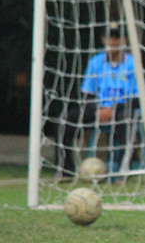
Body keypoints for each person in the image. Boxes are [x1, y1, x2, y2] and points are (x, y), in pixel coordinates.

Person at [54, 23, 138, 179]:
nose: (113, 42)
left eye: (117, 37)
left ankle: (121, 173)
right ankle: (66, 171)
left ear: (124, 40)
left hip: (121, 109)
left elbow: (138, 98)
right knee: (66, 119)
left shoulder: (133, 63)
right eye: (109, 37)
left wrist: (112, 109)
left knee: (126, 120)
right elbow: (88, 93)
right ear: (103, 39)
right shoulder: (96, 62)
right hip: (97, 109)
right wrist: (99, 109)